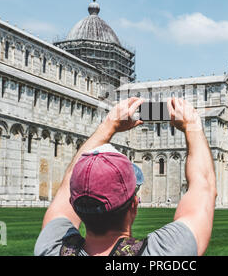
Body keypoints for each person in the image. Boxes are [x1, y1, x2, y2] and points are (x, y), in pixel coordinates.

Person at [34, 97, 217, 256]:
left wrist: (107, 127)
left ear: (74, 204)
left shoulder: (51, 248)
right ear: (134, 206)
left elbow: (66, 186)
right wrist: (192, 125)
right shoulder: (164, 252)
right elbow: (204, 186)